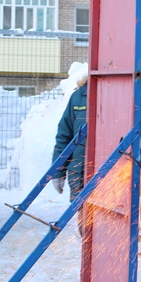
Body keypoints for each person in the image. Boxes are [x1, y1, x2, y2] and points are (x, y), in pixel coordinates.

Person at [51, 72, 87, 203]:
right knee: (85, 220)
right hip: (79, 175)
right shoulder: (78, 97)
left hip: (113, 177)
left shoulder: (126, 93)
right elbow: (64, 136)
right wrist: (58, 172)